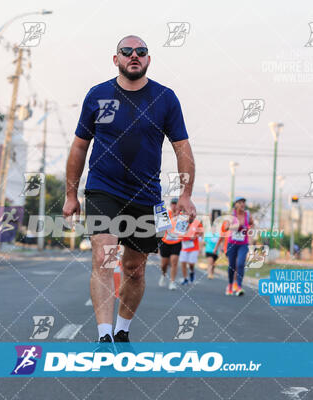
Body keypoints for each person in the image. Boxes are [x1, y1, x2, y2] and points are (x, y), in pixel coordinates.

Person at [63, 35, 196, 344]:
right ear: (116, 59)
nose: (134, 56)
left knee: (134, 269)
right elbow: (80, 147)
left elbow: (182, 148)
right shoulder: (98, 95)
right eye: (127, 51)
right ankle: (104, 335)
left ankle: (121, 329)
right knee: (104, 258)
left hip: (146, 195)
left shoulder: (165, 98)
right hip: (102, 190)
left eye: (141, 52)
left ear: (148, 59)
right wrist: (71, 194)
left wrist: (185, 195)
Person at [223, 197, 253, 296]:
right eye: (239, 202)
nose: (242, 204)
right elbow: (226, 227)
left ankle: (239, 286)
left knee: (240, 264)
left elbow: (251, 227)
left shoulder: (248, 215)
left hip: (243, 244)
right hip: (232, 244)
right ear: (235, 204)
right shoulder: (231, 215)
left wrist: (251, 243)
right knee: (231, 266)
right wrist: (236, 227)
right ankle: (230, 284)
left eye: (243, 202)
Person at [159, 198, 181, 290]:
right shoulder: (166, 214)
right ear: (171, 205)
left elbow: (183, 229)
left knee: (174, 262)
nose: (174, 205)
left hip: (176, 242)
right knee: (164, 264)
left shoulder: (182, 216)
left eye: (176, 204)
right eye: (173, 203)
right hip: (165, 241)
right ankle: (163, 275)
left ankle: (172, 282)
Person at [179, 218, 204, 285]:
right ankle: (185, 279)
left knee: (191, 264)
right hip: (184, 247)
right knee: (183, 263)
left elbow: (201, 233)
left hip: (194, 247)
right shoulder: (181, 222)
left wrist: (196, 236)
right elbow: (178, 234)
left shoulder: (197, 223)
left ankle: (192, 272)